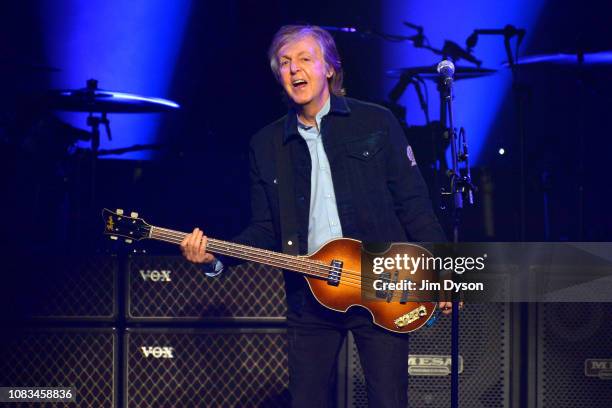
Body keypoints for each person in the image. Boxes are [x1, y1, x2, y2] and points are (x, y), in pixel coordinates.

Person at [181, 25, 451, 408]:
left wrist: (441, 272)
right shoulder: (266, 145)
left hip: (381, 284)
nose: (294, 70)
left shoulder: (376, 122)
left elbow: (414, 204)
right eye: (285, 63)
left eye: (305, 59)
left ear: (329, 68)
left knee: (388, 400)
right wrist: (215, 257)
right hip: (309, 296)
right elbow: (263, 229)